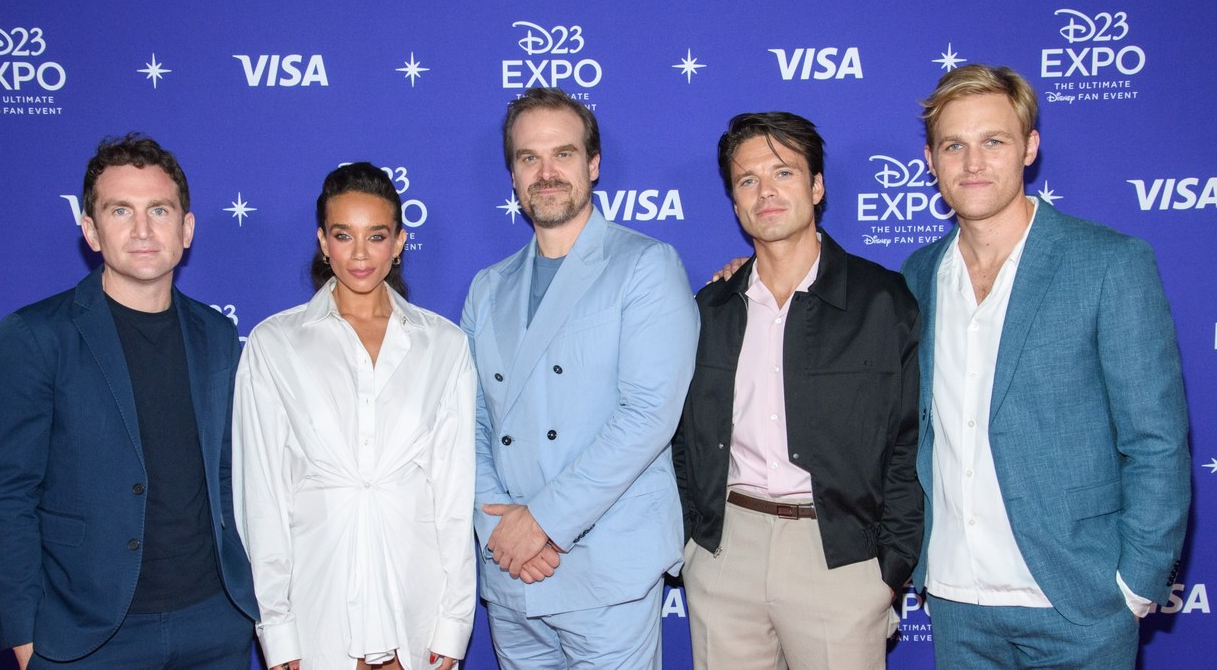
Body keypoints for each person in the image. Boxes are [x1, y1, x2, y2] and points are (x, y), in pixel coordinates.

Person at [901, 64, 1190, 668]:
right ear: (930, 159)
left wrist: (1136, 583)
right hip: (956, 601)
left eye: (994, 141)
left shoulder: (1110, 263)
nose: (972, 163)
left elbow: (1156, 441)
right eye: (954, 145)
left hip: (1077, 601)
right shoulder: (918, 276)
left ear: (1030, 147)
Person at [0, 134, 259, 669]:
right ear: (90, 231)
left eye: (160, 210)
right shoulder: (34, 336)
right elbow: (2, 494)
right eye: (120, 210)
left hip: (215, 626)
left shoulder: (217, 333)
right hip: (87, 636)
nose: (143, 229)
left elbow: (226, 476)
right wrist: (26, 637)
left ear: (186, 229)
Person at [460, 87, 699, 669]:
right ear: (513, 176)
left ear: (593, 165)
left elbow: (648, 416)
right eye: (528, 158)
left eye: (563, 154)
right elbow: (465, 421)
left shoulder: (645, 265)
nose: (546, 173)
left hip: (604, 571)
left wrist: (542, 523)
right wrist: (496, 526)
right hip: (513, 570)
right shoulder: (487, 288)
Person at [673, 112, 921, 670]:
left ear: (816, 186)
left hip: (839, 558)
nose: (766, 192)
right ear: (735, 202)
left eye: (783, 173)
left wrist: (890, 569)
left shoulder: (883, 303)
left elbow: (909, 443)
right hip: (724, 555)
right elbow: (682, 439)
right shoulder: (708, 311)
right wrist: (696, 545)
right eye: (747, 180)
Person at [234, 163, 475, 670]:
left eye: (377, 236)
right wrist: (277, 628)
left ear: (400, 241)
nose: (360, 254)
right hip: (317, 597)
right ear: (323, 241)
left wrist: (453, 621)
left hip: (416, 597)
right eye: (344, 235)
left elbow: (454, 495)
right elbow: (263, 498)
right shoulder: (274, 344)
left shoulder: (445, 344)